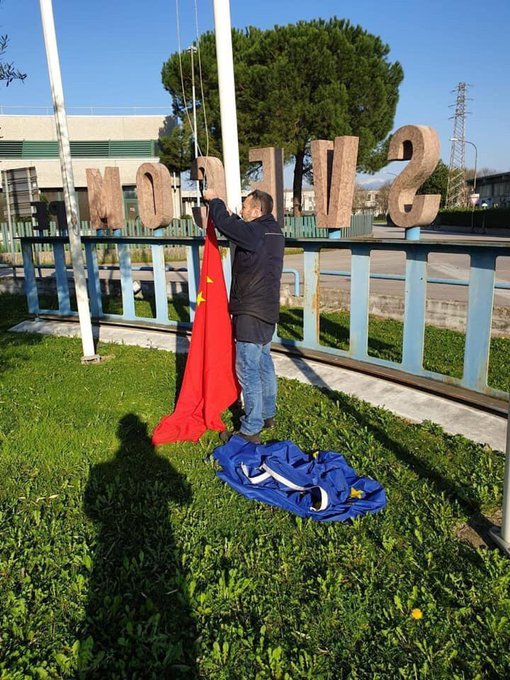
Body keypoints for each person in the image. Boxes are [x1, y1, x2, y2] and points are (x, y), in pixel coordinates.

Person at [203, 188, 284, 444]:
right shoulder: (273, 231)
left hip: (251, 311)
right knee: (264, 364)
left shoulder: (255, 232)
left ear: (257, 211)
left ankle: (251, 429)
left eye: (246, 207)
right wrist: (234, 217)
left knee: (248, 370)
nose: (242, 210)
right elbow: (239, 228)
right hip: (267, 310)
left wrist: (214, 200)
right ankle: (267, 415)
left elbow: (226, 225)